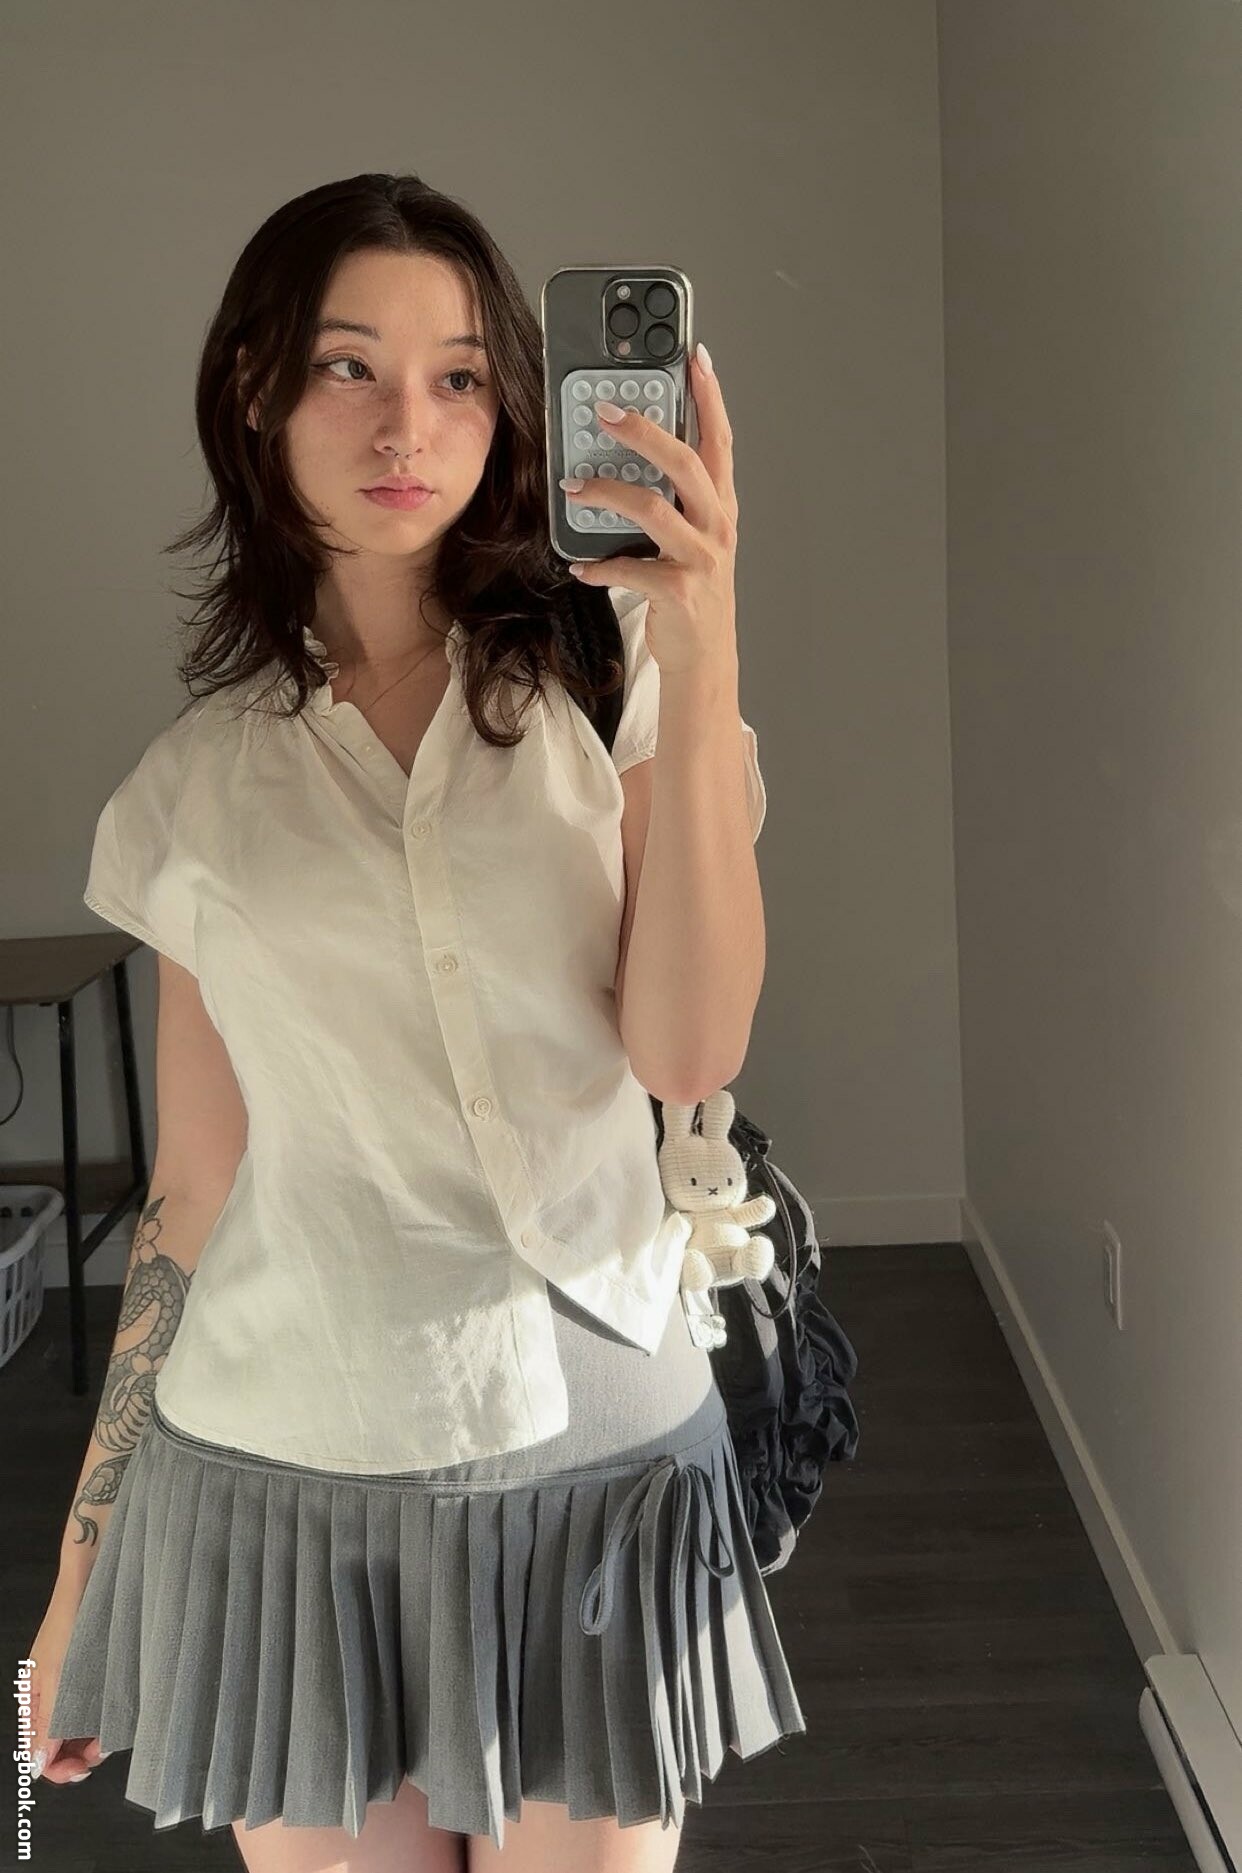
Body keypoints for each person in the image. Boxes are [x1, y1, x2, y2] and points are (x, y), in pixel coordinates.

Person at [26, 171, 800, 1873]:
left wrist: (705, 635)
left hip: (599, 1469)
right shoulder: (195, 788)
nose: (408, 425)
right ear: (256, 389)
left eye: (459, 375)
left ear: (510, 406)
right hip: (280, 1480)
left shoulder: (616, 677)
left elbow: (687, 1053)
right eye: (347, 366)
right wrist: (81, 1575)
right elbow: (192, 1193)